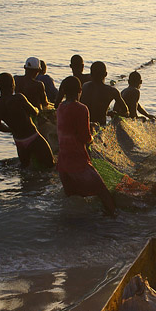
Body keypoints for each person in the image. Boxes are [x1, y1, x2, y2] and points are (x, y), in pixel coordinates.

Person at [56, 76, 116, 215]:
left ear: (64, 91)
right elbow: (85, 138)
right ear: (80, 90)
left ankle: (73, 227)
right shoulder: (81, 108)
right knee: (103, 193)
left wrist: (88, 125)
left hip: (63, 164)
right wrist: (92, 136)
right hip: (78, 162)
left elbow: (68, 128)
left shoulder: (60, 108)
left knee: (73, 197)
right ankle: (115, 222)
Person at [0, 73, 54, 169]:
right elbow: (34, 112)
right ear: (13, 85)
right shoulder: (18, 98)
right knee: (50, 164)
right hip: (33, 137)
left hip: (19, 141)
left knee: (25, 167)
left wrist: (11, 130)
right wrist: (38, 109)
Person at [80, 61, 129, 126]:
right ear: (105, 74)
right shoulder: (112, 91)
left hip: (84, 125)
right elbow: (125, 111)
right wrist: (113, 114)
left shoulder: (85, 86)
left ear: (91, 74)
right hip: (100, 126)